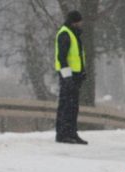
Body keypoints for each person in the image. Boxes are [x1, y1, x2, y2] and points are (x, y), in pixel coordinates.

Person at [55, 10, 88, 145]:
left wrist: (82, 72)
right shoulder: (65, 33)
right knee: (66, 105)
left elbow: (78, 56)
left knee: (73, 106)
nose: (81, 24)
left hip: (75, 75)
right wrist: (67, 76)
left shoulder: (73, 33)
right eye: (80, 21)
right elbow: (62, 57)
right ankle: (63, 134)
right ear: (75, 21)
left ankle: (72, 133)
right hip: (67, 75)